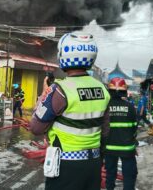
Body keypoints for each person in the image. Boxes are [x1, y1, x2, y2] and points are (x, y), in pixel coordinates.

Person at [30, 31, 111, 190]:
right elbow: (106, 132)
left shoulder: (59, 90)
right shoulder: (103, 89)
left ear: (64, 56)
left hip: (65, 166)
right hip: (93, 165)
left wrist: (43, 97)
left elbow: (35, 128)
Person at [105, 77, 138, 190]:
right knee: (129, 175)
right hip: (127, 148)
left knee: (110, 175)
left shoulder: (105, 106)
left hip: (109, 148)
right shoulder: (130, 107)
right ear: (124, 90)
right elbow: (134, 127)